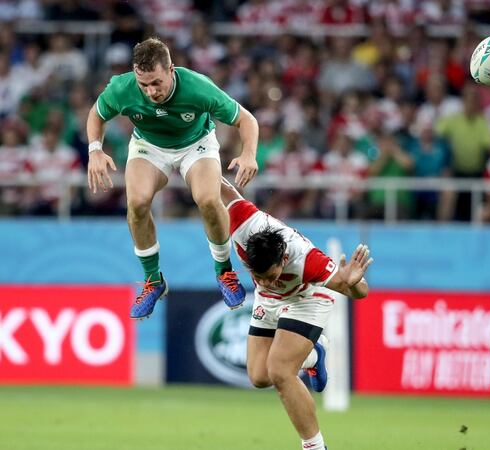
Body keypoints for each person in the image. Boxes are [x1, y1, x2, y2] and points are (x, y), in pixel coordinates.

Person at [85, 37, 259, 319]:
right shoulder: (122, 87)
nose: (151, 91)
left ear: (171, 70)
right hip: (149, 146)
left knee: (207, 199)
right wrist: (95, 150)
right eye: (144, 85)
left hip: (196, 144)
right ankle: (153, 280)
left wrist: (249, 154)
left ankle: (224, 270)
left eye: (156, 82)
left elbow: (246, 119)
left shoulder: (197, 87)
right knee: (137, 203)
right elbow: (96, 114)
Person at [220, 177, 373, 450]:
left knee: (280, 371)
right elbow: (215, 183)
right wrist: (188, 156)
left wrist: (353, 281)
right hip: (268, 302)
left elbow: (360, 294)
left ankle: (315, 446)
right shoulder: (242, 222)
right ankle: (315, 354)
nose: (265, 280)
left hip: (307, 298)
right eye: (258, 275)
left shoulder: (308, 261)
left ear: (282, 261)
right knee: (259, 376)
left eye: (270, 275)